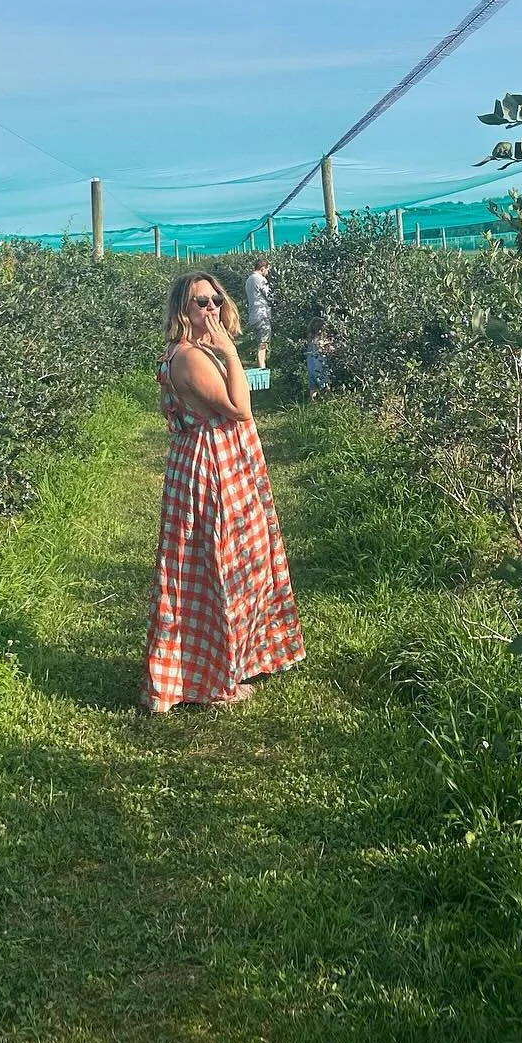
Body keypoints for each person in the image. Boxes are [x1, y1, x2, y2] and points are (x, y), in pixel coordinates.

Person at [141, 270, 305, 713]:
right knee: (222, 562)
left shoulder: (191, 352)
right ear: (182, 309)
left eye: (215, 299)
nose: (211, 307)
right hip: (214, 463)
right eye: (200, 302)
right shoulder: (189, 357)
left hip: (213, 458)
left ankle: (226, 664)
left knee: (222, 561)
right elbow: (240, 409)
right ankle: (215, 679)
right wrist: (231, 352)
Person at [243, 254, 273, 369]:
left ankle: (262, 365)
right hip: (261, 315)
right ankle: (262, 368)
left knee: (261, 342)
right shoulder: (260, 279)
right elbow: (270, 296)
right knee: (263, 343)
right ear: (262, 268)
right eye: (267, 270)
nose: (268, 272)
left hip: (253, 315)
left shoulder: (249, 279)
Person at [304, 321, 332, 401]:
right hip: (320, 367)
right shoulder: (322, 341)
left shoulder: (310, 340)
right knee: (325, 385)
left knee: (313, 387)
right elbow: (329, 350)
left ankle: (312, 403)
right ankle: (327, 402)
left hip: (311, 367)